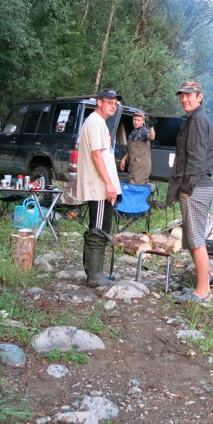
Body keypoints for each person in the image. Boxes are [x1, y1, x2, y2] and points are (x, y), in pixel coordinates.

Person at [165, 81, 213, 304]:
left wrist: (186, 187)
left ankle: (203, 291)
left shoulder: (197, 120)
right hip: (197, 186)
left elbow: (196, 157)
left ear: (200, 97)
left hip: (196, 187)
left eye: (190, 95)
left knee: (196, 240)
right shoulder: (193, 119)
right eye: (182, 96)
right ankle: (201, 288)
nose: (185, 99)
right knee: (193, 239)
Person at [76, 88, 123, 287]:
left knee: (98, 227)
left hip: (100, 186)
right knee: (100, 230)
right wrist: (109, 183)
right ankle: (95, 277)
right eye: (109, 101)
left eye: (115, 102)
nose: (113, 105)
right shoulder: (95, 123)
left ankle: (94, 273)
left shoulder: (97, 123)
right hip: (100, 187)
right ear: (99, 102)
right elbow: (96, 155)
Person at [120, 111, 155, 185]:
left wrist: (151, 127)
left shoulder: (144, 131)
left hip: (141, 165)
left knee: (136, 185)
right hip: (133, 164)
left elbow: (151, 137)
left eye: (138, 120)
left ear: (143, 122)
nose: (136, 122)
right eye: (134, 120)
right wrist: (124, 159)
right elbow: (131, 150)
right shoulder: (133, 132)